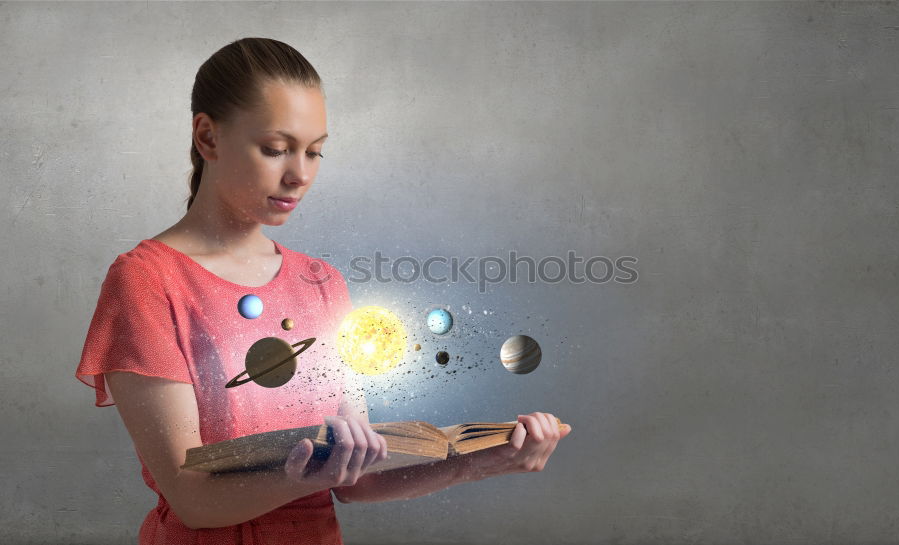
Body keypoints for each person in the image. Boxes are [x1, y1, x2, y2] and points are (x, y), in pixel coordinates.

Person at [74, 37, 571, 545]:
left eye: (314, 152)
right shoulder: (147, 281)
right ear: (208, 137)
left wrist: (483, 463)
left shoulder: (320, 284)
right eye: (275, 149)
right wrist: (301, 475)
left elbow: (359, 482)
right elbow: (193, 500)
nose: (300, 175)